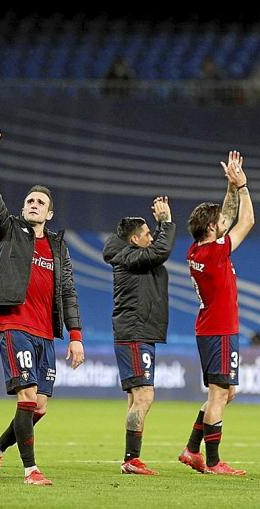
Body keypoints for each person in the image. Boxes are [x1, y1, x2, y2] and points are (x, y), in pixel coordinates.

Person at [0, 129, 85, 487]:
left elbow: (68, 291)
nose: (34, 204)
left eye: (40, 202)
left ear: (50, 212)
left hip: (45, 333)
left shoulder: (58, 247)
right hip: (15, 326)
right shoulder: (9, 231)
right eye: (29, 201)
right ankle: (30, 470)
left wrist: (75, 337)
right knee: (26, 397)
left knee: (38, 406)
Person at [178, 150, 254, 476]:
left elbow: (226, 215)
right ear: (212, 229)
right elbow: (247, 221)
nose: (226, 223)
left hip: (209, 328)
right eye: (221, 223)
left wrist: (230, 186)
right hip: (220, 330)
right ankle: (212, 462)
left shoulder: (196, 249)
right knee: (220, 395)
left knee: (224, 393)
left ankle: (192, 450)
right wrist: (244, 186)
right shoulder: (215, 252)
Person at [102, 197, 176, 476]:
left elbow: (156, 248)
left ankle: (131, 459)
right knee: (144, 396)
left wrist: (159, 227)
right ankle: (131, 460)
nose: (152, 236)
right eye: (147, 233)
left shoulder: (131, 254)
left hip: (138, 332)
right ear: (134, 239)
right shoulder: (131, 257)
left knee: (136, 398)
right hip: (134, 332)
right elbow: (160, 251)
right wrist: (166, 222)